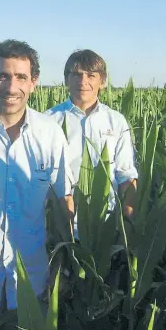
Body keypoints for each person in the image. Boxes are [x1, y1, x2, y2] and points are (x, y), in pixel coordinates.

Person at [0, 39, 75, 330]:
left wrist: (65, 267)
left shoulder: (49, 132)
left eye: (21, 77)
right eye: (3, 76)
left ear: (34, 82)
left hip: (31, 283)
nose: (11, 87)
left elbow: (65, 201)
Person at [45, 49, 138, 239]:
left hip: (106, 226)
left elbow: (126, 175)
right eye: (76, 75)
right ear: (66, 80)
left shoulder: (116, 121)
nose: (83, 82)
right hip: (59, 227)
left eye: (91, 75)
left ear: (102, 82)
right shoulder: (48, 121)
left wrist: (126, 225)